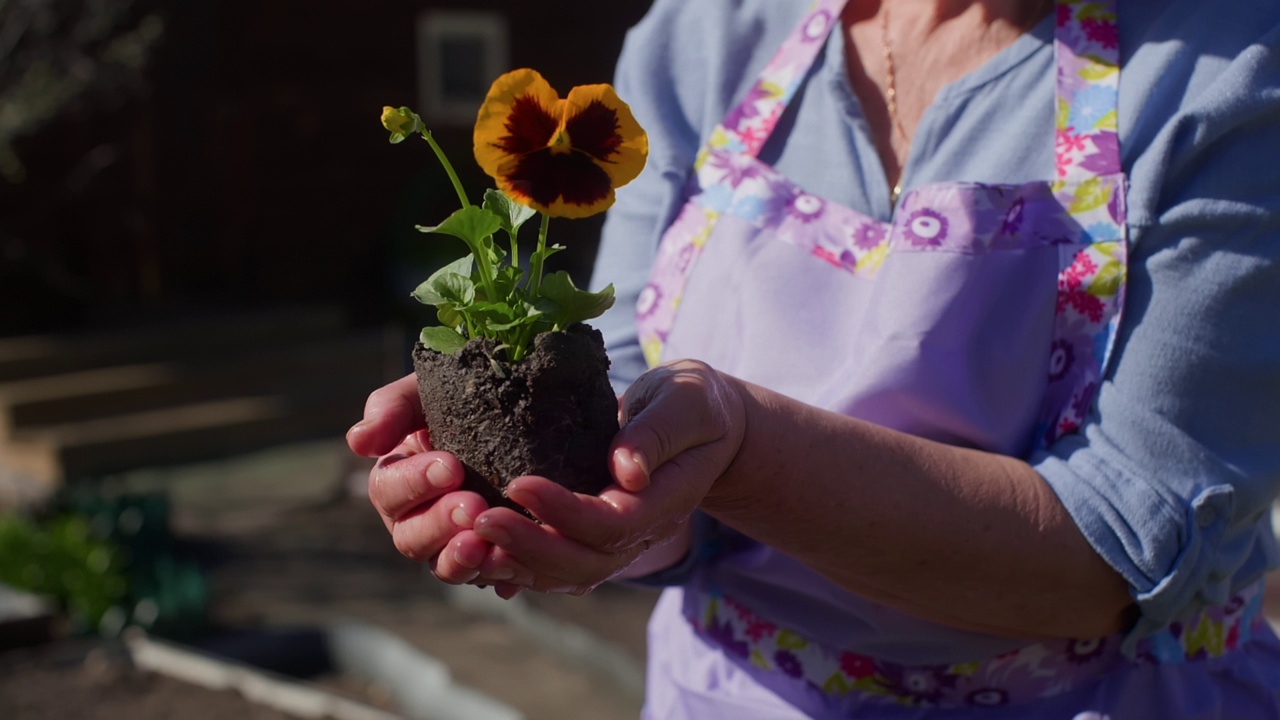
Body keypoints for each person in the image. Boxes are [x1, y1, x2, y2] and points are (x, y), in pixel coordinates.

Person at [347, 0, 1280, 716]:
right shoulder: (712, 31)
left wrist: (742, 453)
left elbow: (1122, 553)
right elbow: (628, 392)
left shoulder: (1228, 69)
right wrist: (585, 517)